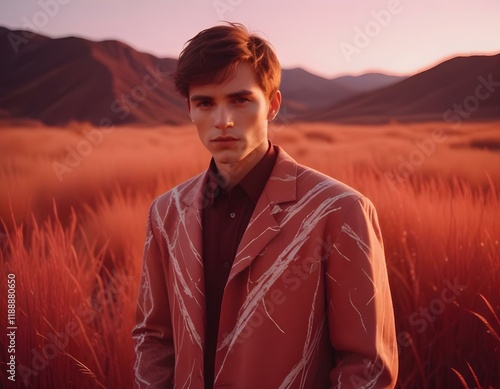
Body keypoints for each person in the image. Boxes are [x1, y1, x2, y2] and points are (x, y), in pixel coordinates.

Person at [132, 22, 398, 388]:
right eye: (205, 103)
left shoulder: (340, 210)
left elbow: (367, 365)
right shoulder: (165, 213)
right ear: (189, 110)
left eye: (240, 99)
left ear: (272, 104)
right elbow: (154, 337)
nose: (222, 121)